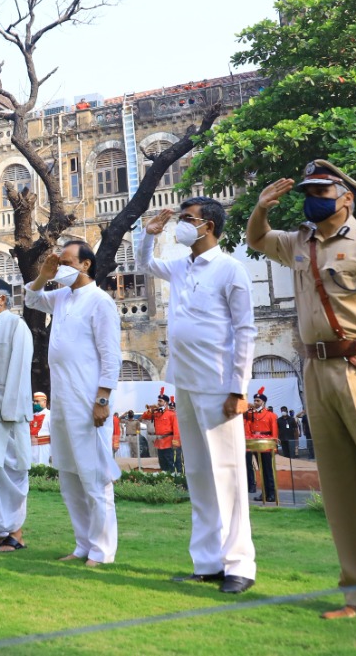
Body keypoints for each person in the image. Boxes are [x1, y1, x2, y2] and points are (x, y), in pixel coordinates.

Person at [248, 161, 356, 627]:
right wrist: (262, 208)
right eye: (307, 190)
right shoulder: (299, 241)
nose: (312, 197)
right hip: (314, 369)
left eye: (321, 190)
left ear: (345, 195)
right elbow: (257, 241)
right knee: (342, 492)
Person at [140, 199, 258, 594]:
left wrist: (239, 389)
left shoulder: (230, 269)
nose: (180, 226)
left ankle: (239, 564)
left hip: (218, 383)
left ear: (206, 225)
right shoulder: (180, 266)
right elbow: (147, 265)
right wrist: (148, 235)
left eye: (186, 220)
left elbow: (245, 331)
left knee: (227, 473)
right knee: (199, 474)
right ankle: (207, 561)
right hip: (185, 382)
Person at [23, 241, 120, 566]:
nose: (59, 266)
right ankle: (83, 545)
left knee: (94, 476)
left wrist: (102, 399)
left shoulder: (100, 301)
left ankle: (102, 551)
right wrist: (43, 275)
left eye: (65, 262)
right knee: (70, 476)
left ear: (85, 265)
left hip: (88, 399)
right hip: (62, 399)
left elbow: (111, 355)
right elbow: (32, 298)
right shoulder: (62, 297)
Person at [243, 389, 278, 503]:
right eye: (255, 400)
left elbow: (274, 432)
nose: (255, 402)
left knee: (268, 470)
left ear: (263, 402)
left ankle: (271, 493)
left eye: (258, 400)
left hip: (266, 444)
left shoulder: (271, 415)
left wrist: (273, 445)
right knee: (260, 470)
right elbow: (242, 413)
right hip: (256, 444)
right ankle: (264, 493)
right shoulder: (251, 414)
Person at [142, 400, 178, 474]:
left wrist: (175, 442)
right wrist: (151, 409)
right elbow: (145, 416)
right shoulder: (156, 413)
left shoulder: (171, 414)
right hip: (159, 442)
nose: (158, 403)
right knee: (162, 461)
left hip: (168, 441)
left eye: (160, 401)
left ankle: (172, 476)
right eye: (158, 401)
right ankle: (165, 476)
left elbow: (176, 429)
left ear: (166, 403)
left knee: (169, 460)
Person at [30, 392, 51, 465]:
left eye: (37, 401)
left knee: (43, 467)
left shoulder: (50, 414)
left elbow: (54, 434)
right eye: (34, 401)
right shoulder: (31, 415)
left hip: (44, 447)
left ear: (44, 402)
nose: (35, 403)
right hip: (31, 446)